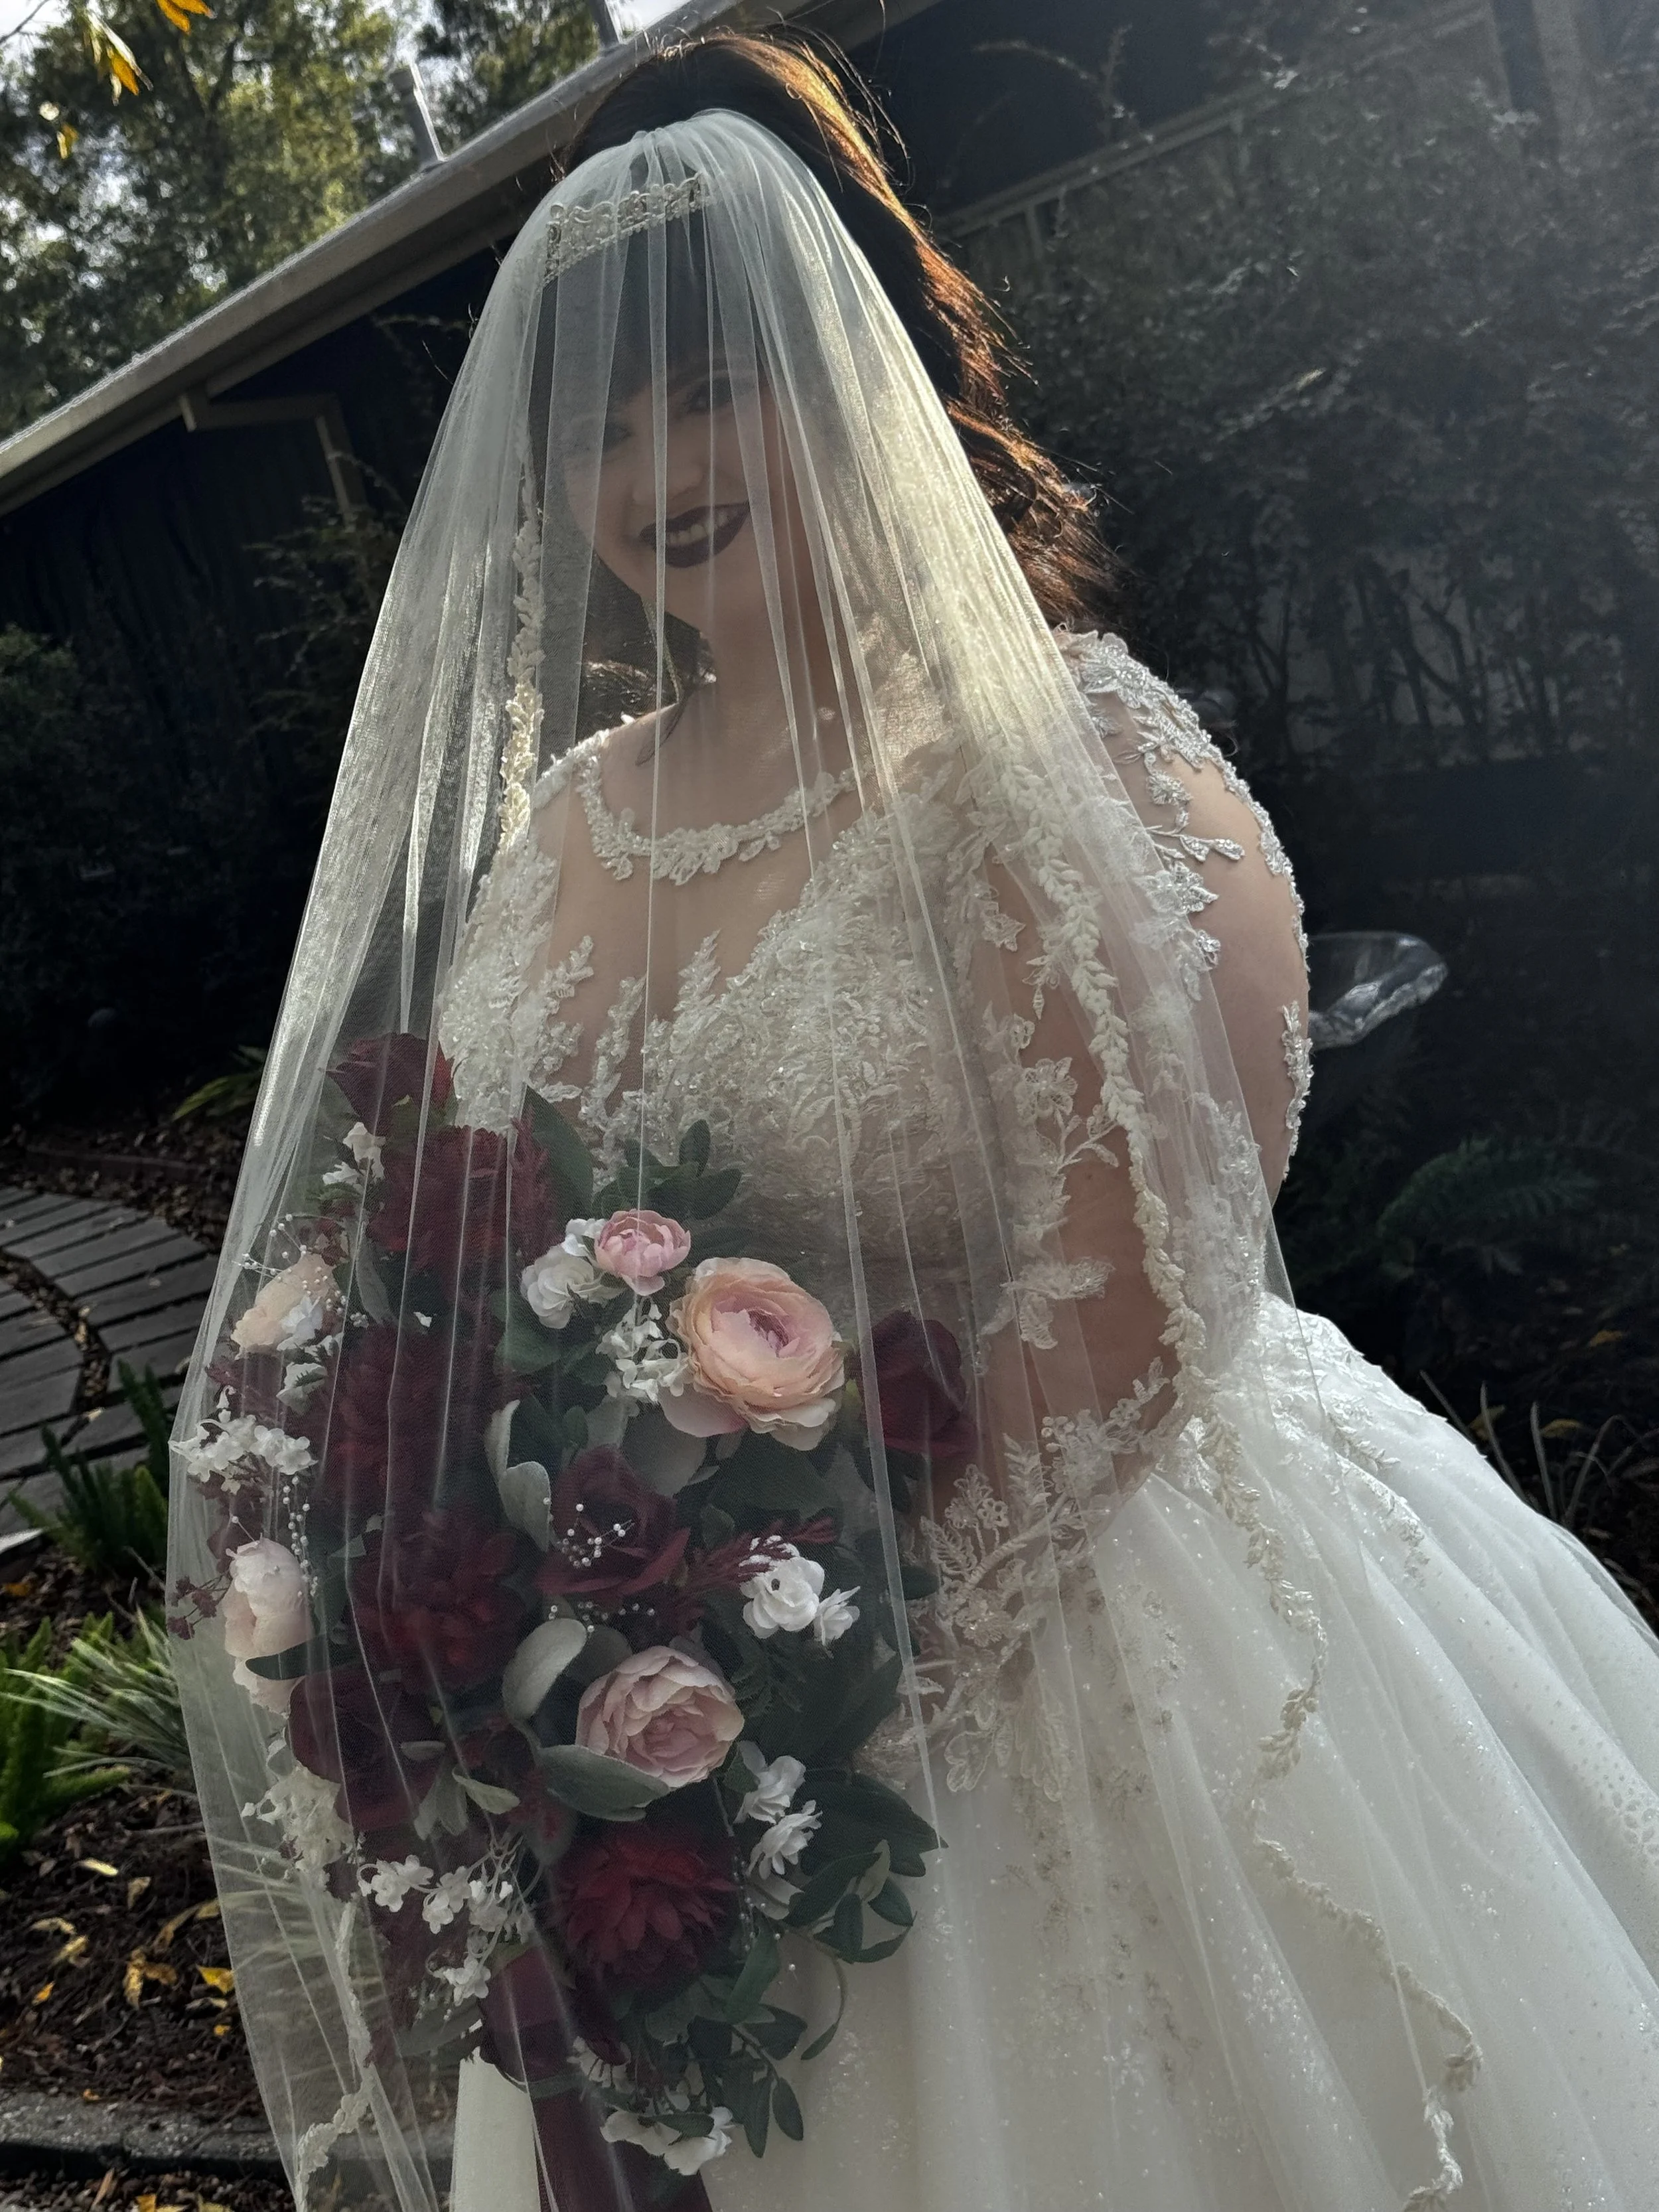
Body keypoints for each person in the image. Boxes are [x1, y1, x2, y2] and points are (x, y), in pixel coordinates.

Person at [169, 31, 1659, 2212]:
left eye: (711, 382)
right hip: (640, 1734)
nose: (657, 463)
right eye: (598, 420)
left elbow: (1136, 1288)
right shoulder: (573, 812)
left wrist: (781, 1688)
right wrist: (495, 1637)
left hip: (1077, 1661)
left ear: (857, 344)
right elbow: (466, 1245)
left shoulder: (1062, 756)